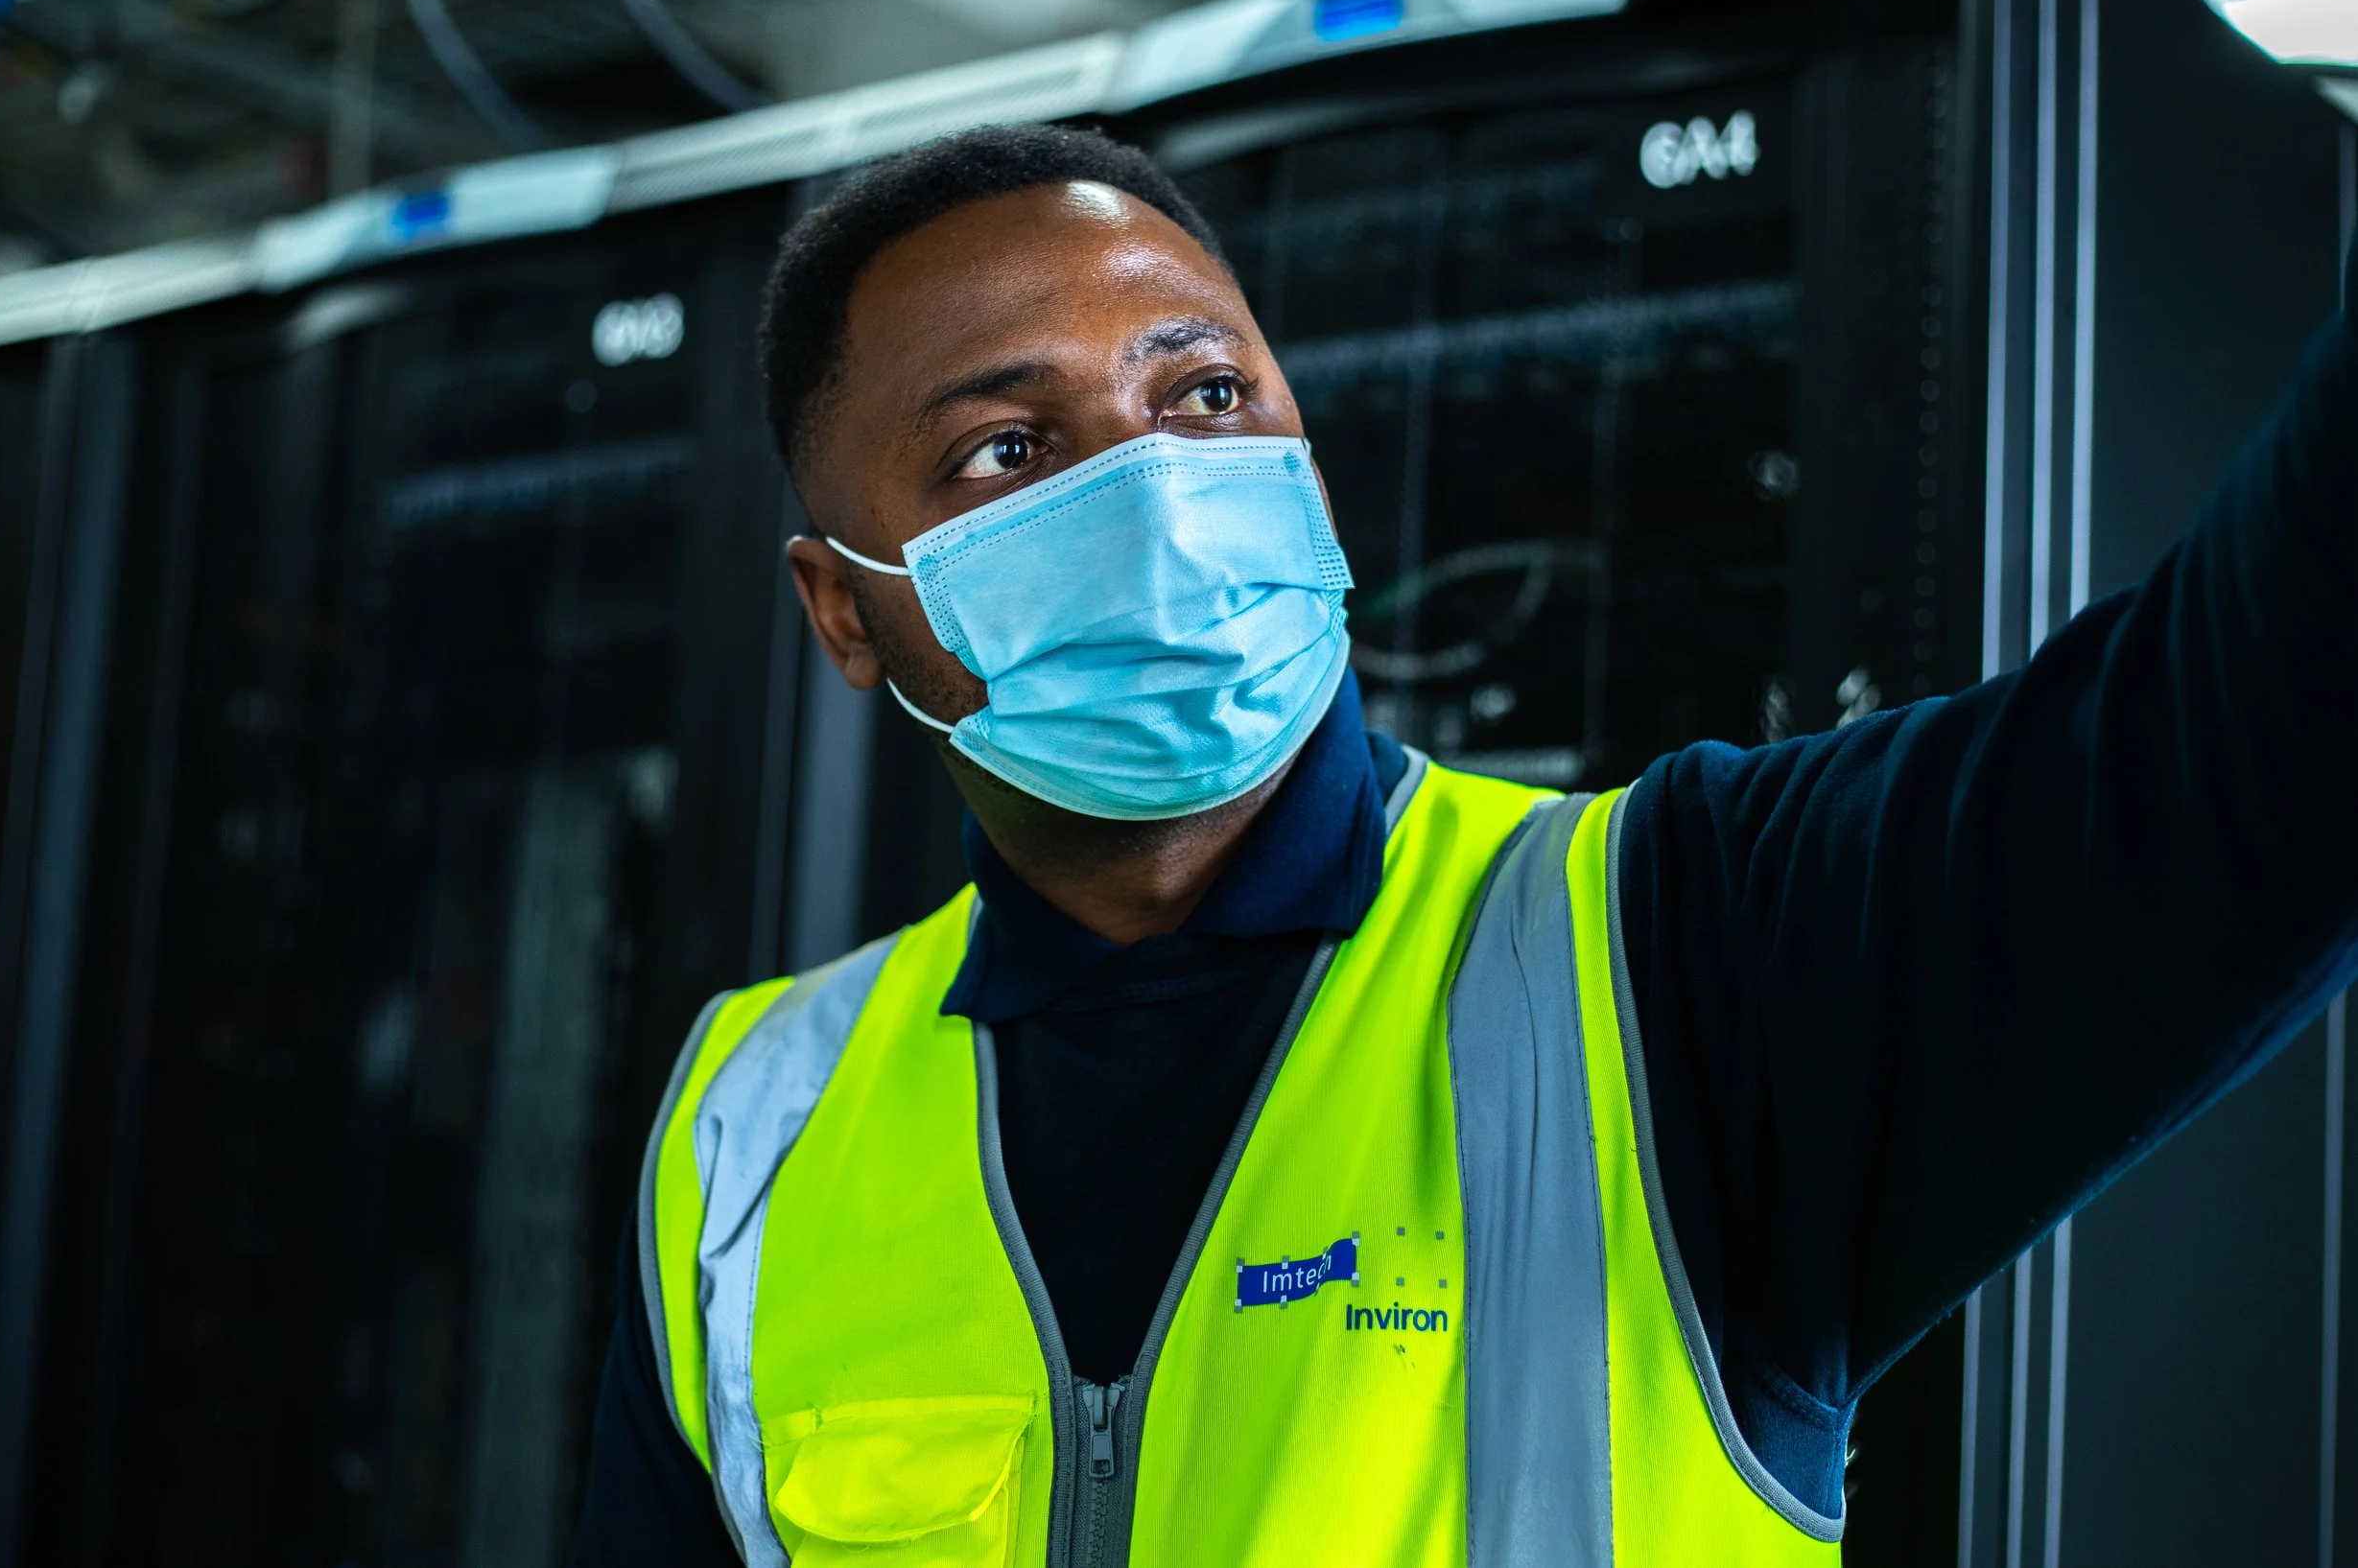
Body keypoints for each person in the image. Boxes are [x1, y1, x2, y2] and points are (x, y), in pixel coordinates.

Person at [571, 123, 2358, 1565]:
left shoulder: (1679, 953)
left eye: (1203, 399)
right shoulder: (754, 1123)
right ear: (842, 611)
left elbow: (2272, 722)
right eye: (1008, 447)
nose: (1158, 495)